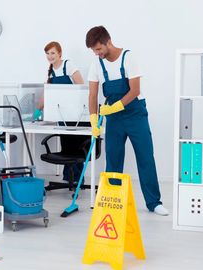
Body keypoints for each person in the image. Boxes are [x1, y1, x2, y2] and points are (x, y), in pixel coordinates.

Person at [85, 26, 169, 216]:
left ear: (108, 42)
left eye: (98, 49)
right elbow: (92, 95)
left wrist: (114, 107)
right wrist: (93, 118)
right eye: (93, 51)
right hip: (113, 120)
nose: (97, 54)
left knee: (145, 157)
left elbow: (135, 90)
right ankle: (113, 202)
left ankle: (154, 202)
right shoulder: (96, 64)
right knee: (113, 159)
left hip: (135, 115)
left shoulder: (128, 57)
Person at [38, 41, 86, 183]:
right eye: (47, 53)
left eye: (52, 53)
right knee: (66, 145)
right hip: (62, 114)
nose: (50, 56)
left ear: (60, 54)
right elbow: (46, 93)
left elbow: (81, 87)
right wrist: (37, 109)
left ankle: (77, 179)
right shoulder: (50, 70)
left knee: (76, 147)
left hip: (75, 114)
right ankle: (69, 177)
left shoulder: (68, 65)